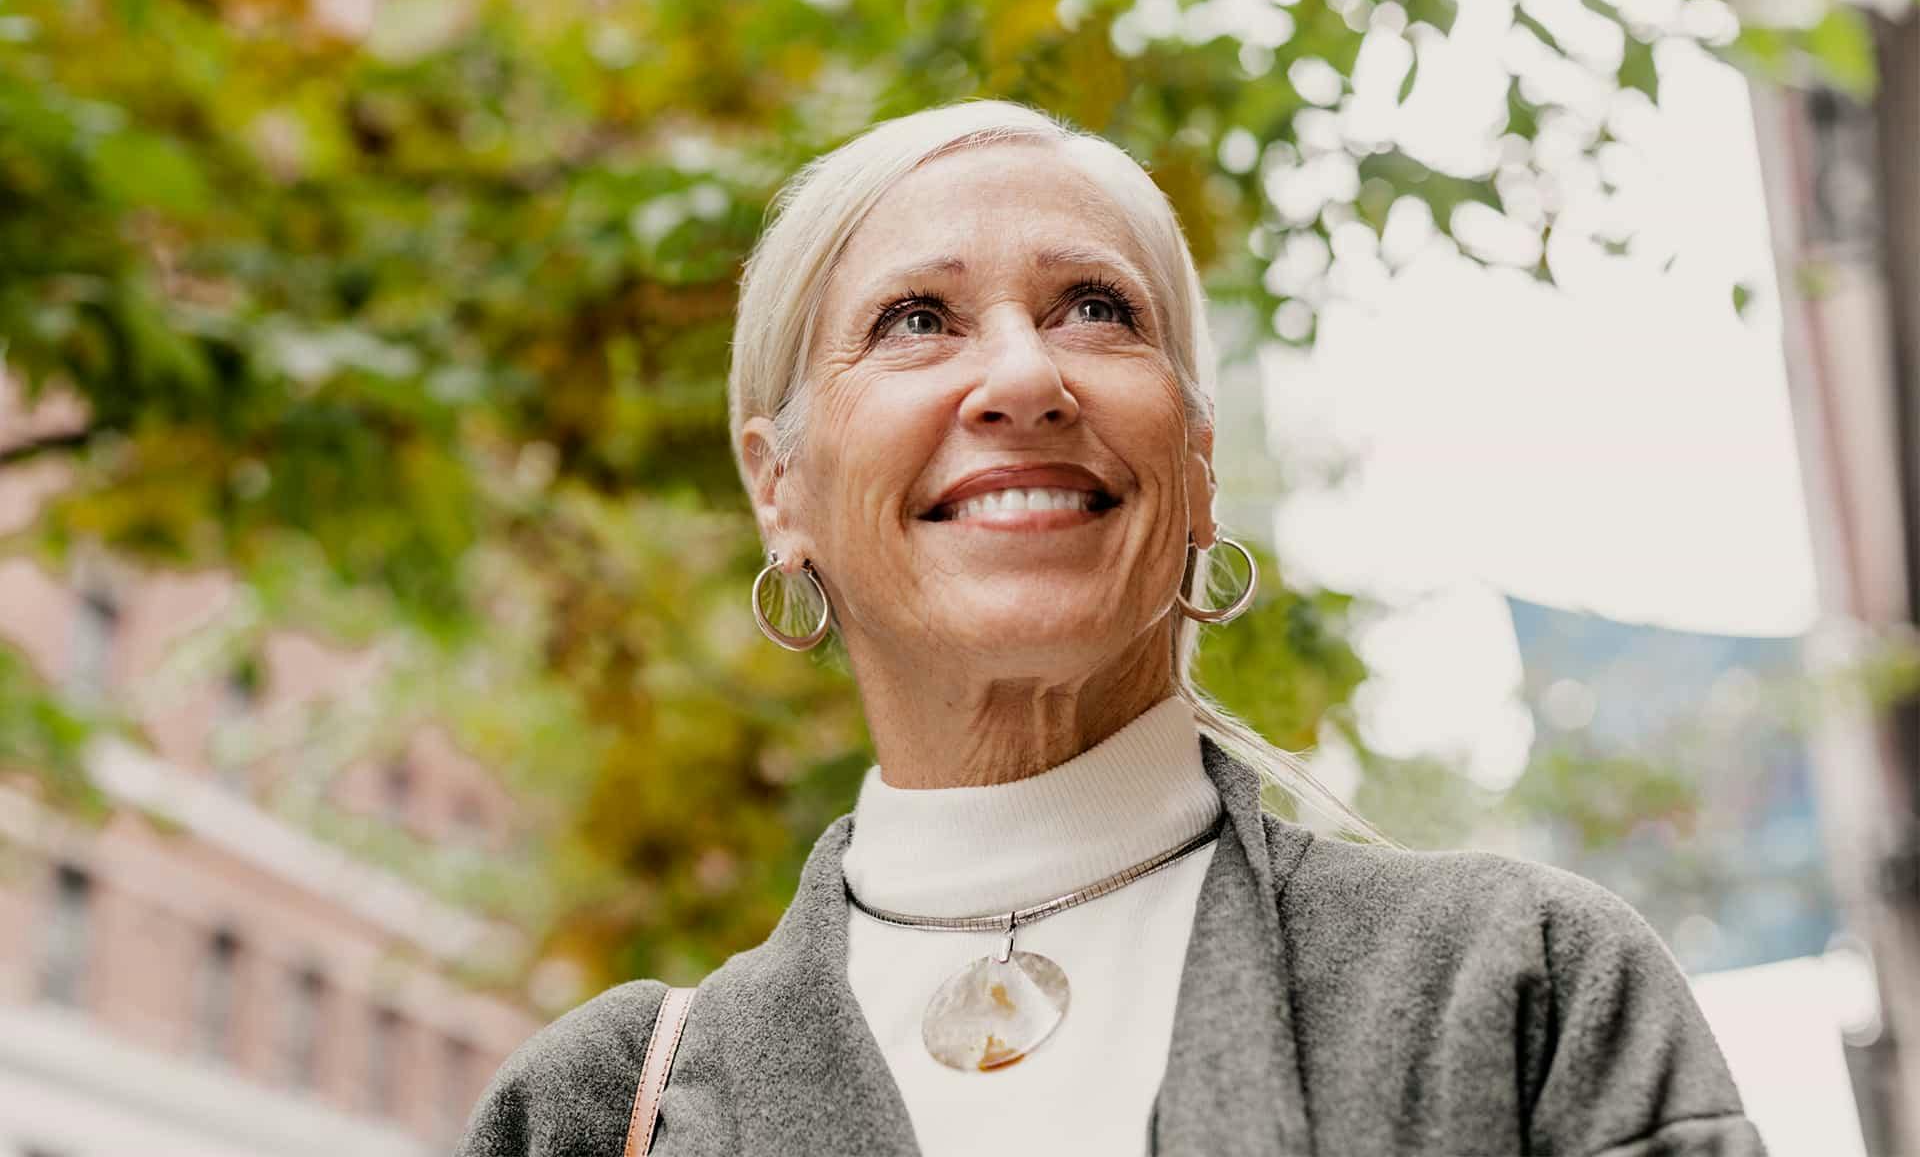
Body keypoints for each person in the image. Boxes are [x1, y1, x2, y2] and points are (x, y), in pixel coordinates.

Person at [456, 101, 1764, 1156]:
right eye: (918, 320)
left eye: (1097, 309)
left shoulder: (1521, 986)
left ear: (1197, 463)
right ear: (776, 485)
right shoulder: (596, 1114)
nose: (1025, 377)